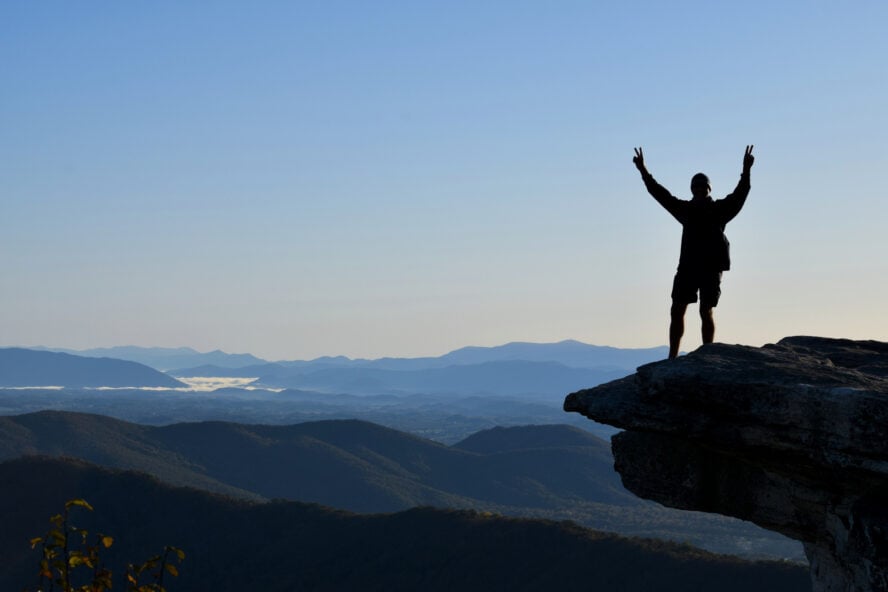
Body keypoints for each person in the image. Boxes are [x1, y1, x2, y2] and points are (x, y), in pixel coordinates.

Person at [633, 145, 754, 359]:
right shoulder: (685, 210)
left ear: (709, 189)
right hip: (688, 267)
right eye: (695, 187)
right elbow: (660, 194)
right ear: (692, 189)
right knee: (677, 309)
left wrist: (746, 170)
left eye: (702, 187)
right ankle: (673, 356)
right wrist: (643, 171)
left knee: (705, 311)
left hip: (711, 268)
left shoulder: (719, 210)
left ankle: (706, 354)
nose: (699, 190)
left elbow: (740, 194)